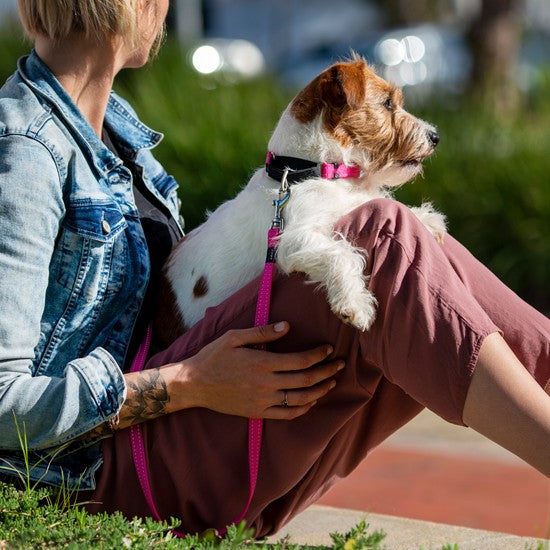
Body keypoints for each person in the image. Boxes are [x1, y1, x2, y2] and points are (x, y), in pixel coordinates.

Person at [0, 0, 548, 539]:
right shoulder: (25, 152)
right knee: (381, 233)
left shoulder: (121, 137)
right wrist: (187, 383)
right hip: (99, 472)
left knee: (422, 245)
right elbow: (5, 404)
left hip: (172, 438)